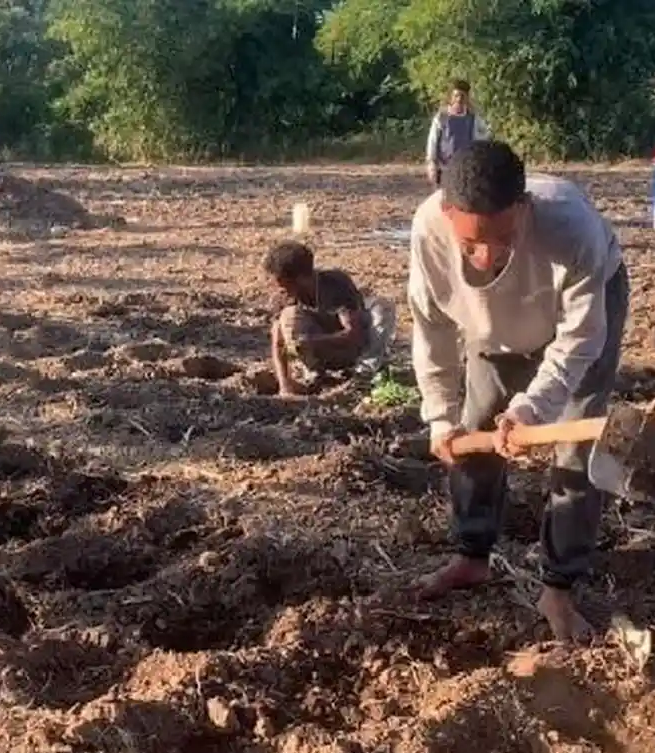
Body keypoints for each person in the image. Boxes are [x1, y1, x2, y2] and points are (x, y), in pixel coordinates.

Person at [407, 140, 629, 642]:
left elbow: (579, 339)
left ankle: (560, 584)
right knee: (477, 421)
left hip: (582, 314)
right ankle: (471, 555)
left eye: (503, 237)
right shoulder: (428, 233)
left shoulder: (572, 229)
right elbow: (433, 329)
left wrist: (532, 406)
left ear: (523, 209)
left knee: (577, 447)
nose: (486, 257)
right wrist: (440, 417)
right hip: (492, 327)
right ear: (447, 215)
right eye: (470, 244)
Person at [266, 241, 397, 396]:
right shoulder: (284, 297)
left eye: (283, 283)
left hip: (354, 348)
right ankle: (315, 372)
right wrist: (284, 385)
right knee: (287, 317)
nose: (279, 289)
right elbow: (277, 341)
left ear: (301, 278)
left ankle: (365, 371)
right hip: (321, 351)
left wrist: (313, 341)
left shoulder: (335, 284)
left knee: (382, 308)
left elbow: (354, 335)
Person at [425, 79, 491, 188]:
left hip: (465, 170)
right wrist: (431, 163)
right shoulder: (442, 117)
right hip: (445, 168)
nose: (459, 99)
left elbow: (484, 137)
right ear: (451, 97)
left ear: (467, 98)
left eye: (462, 96)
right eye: (456, 96)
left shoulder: (473, 118)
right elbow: (432, 141)